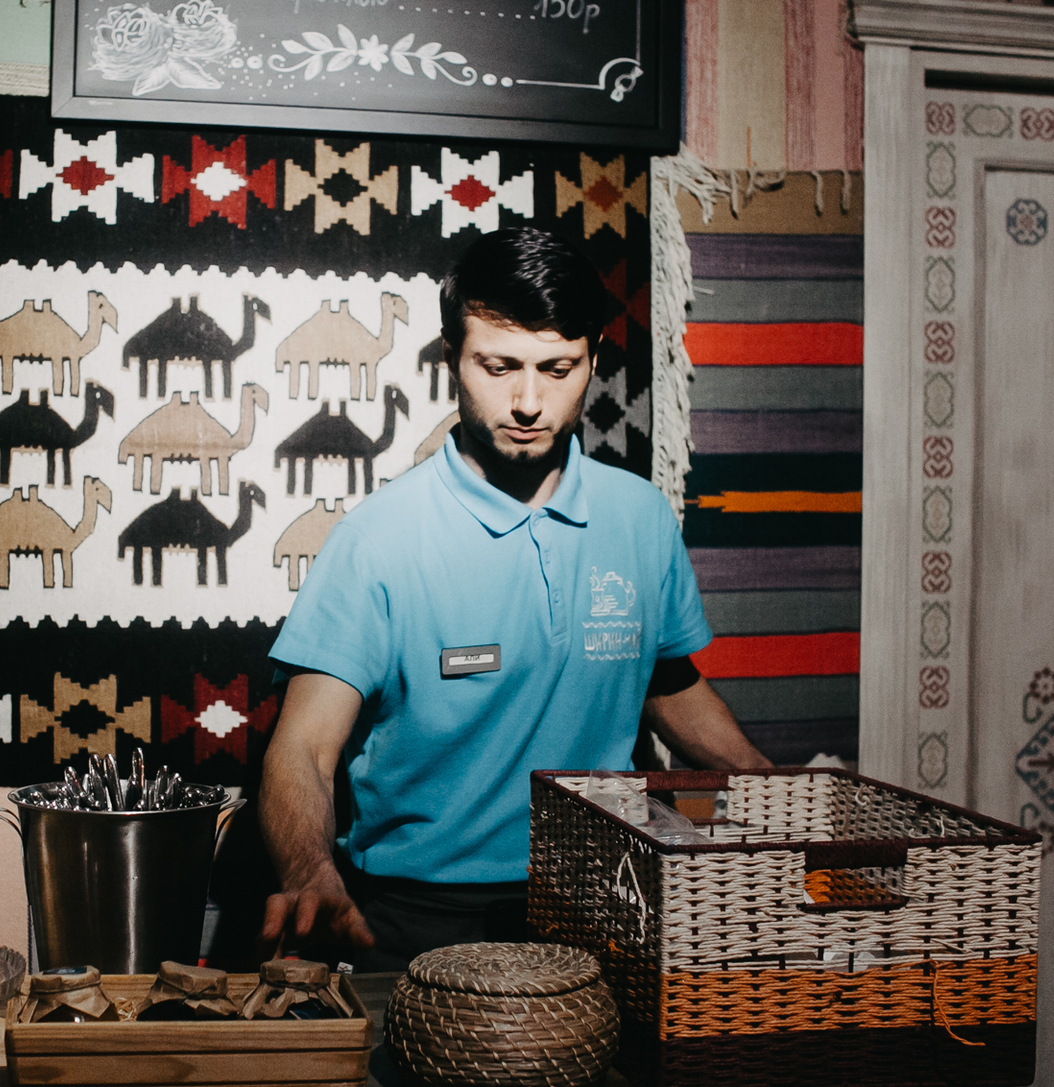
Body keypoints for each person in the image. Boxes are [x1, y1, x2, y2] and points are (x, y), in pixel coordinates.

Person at [259, 226, 770, 970]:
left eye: (557, 369)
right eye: (498, 367)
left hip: (604, 897)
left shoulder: (640, 517)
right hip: (418, 916)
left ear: (593, 358)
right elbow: (304, 746)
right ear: (451, 360)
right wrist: (310, 872)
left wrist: (771, 786)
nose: (528, 402)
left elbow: (665, 682)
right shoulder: (378, 540)